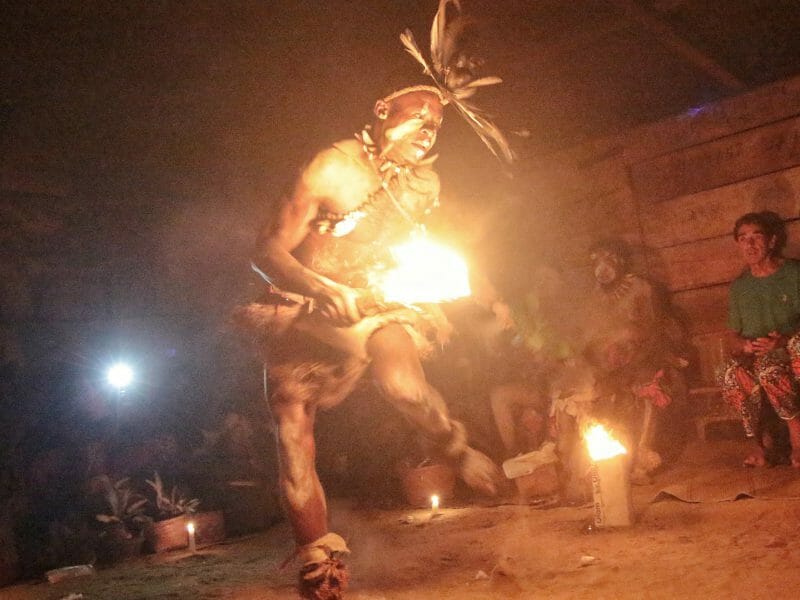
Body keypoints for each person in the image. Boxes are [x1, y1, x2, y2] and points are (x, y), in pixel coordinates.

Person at [235, 4, 513, 598]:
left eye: (439, 124)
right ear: (384, 109)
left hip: (375, 307)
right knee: (291, 429)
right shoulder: (330, 168)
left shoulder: (424, 184)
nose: (430, 129)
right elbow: (267, 249)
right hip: (305, 312)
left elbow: (420, 250)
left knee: (405, 385)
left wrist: (447, 285)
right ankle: (319, 562)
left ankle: (454, 448)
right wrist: (323, 289)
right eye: (420, 115)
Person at [578, 238, 687, 480]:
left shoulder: (641, 289)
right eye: (596, 261)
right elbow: (592, 338)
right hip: (613, 365)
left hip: (647, 357)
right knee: (591, 393)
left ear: (621, 262)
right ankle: (609, 462)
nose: (602, 268)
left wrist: (629, 347)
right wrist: (604, 355)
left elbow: (654, 329)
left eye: (608, 259)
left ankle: (643, 456)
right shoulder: (595, 298)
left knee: (646, 388)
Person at [722, 211, 800, 468]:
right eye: (743, 239)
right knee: (731, 375)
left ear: (772, 240)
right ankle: (759, 445)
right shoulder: (740, 287)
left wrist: (783, 340)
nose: (750, 244)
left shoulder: (793, 274)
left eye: (756, 237)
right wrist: (743, 345)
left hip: (791, 352)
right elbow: (732, 334)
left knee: (771, 370)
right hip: (758, 354)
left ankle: (797, 440)